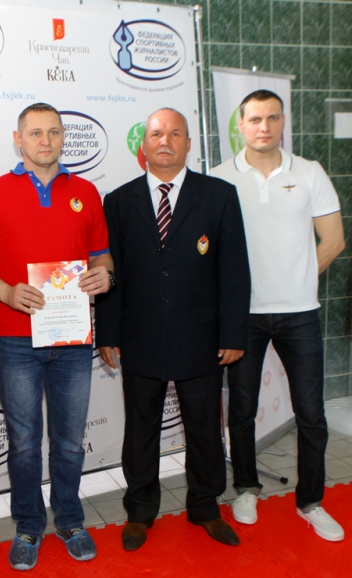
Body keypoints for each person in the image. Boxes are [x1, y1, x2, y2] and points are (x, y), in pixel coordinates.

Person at [0, 103, 113, 571]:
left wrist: (104, 276)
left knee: (69, 442)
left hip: (72, 340)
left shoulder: (86, 192)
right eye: (35, 133)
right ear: (18, 139)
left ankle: (70, 521)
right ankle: (28, 526)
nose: (45, 140)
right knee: (24, 443)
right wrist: (6, 292)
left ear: (64, 137)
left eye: (54, 132)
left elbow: (102, 257)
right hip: (14, 341)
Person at [95, 108, 251, 551]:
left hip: (202, 337)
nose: (165, 141)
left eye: (175, 133)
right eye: (157, 134)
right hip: (139, 335)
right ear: (143, 145)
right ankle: (140, 511)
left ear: (188, 144)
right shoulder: (118, 201)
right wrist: (108, 333)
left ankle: (205, 506)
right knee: (140, 430)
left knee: (204, 428)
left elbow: (234, 270)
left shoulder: (219, 195)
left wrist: (233, 335)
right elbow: (110, 272)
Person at [212, 90, 346, 541]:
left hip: (300, 313)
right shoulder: (220, 178)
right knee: (242, 409)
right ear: (241, 125)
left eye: (272, 118)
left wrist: (299, 279)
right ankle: (245, 488)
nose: (264, 127)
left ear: (283, 122)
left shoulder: (309, 172)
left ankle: (311, 502)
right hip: (243, 316)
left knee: (311, 413)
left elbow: (333, 240)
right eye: (254, 119)